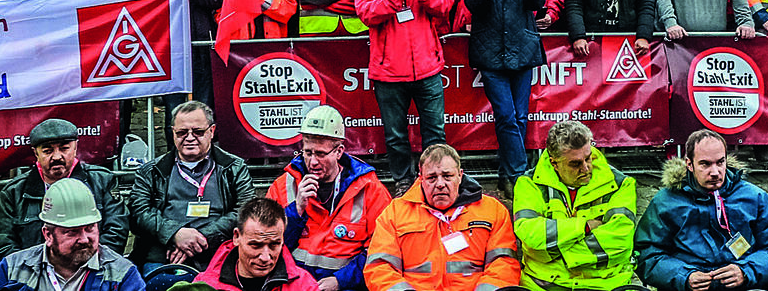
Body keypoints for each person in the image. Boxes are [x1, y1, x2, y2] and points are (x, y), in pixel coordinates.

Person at [354, 0, 455, 192]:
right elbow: (367, 14)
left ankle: (436, 180)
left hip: (427, 68)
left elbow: (445, 5)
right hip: (388, 72)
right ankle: (402, 180)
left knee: (435, 133)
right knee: (396, 135)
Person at [635, 130, 768, 291]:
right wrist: (684, 276)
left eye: (720, 162)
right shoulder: (665, 202)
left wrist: (746, 271)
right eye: (705, 164)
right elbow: (646, 256)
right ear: (689, 164)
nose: (715, 172)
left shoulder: (754, 197)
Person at [461, 0, 547, 196]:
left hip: (523, 48)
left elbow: (538, 3)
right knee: (507, 115)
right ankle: (521, 177)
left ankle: (505, 174)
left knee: (520, 117)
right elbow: (473, 4)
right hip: (491, 52)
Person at [262, 106, 389, 291]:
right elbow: (265, 246)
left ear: (339, 151)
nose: (313, 162)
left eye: (321, 154)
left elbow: (381, 250)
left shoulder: (370, 189)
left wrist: (340, 281)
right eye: (308, 152)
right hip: (294, 285)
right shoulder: (283, 186)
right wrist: (296, 210)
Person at [363, 145, 519, 291]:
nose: (440, 184)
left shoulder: (493, 210)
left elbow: (504, 264)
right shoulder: (395, 213)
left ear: (460, 175)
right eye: (431, 178)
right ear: (421, 179)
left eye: (447, 176)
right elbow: (380, 267)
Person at [512, 121, 638, 291]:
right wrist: (585, 227)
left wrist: (555, 249)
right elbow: (531, 237)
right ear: (554, 163)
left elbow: (620, 243)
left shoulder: (621, 184)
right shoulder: (528, 184)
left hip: (604, 285)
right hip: (544, 285)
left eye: (588, 158)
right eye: (575, 163)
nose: (586, 168)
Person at [128, 101, 255, 270]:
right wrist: (175, 233)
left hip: (218, 252)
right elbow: (138, 213)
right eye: (181, 132)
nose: (189, 138)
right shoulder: (151, 171)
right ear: (173, 132)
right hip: (163, 254)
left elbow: (246, 210)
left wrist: (199, 238)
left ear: (212, 131)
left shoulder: (234, 167)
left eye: (198, 132)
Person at [0, 119, 130, 260]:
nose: (57, 156)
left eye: (64, 149)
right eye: (48, 151)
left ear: (75, 147)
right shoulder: (14, 192)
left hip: (93, 271)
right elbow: (4, 244)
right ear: (36, 153)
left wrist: (89, 266)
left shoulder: (102, 181)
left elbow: (116, 231)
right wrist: (33, 272)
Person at [0, 179, 143, 291]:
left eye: (90, 228)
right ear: (48, 235)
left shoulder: (122, 275)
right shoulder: (11, 270)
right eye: (72, 231)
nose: (84, 239)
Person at [192, 199, 319, 291]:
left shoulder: (304, 285)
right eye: (255, 245)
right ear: (236, 237)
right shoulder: (205, 286)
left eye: (274, 245)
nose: (265, 257)